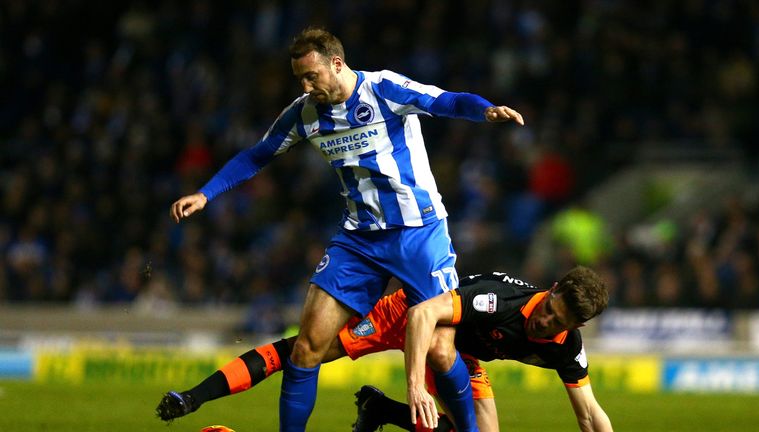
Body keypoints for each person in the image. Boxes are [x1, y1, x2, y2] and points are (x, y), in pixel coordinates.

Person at [169, 27, 523, 432]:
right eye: (299, 79)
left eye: (311, 76)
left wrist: (486, 110)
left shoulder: (384, 88)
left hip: (419, 233)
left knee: (441, 352)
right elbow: (258, 154)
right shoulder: (304, 112)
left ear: (336, 64)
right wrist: (206, 194)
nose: (305, 86)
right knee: (306, 348)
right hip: (359, 239)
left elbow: (446, 101)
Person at [156, 266, 612, 432]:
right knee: (306, 351)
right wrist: (417, 385)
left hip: (454, 352)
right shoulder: (500, 298)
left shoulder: (565, 346)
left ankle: (380, 411)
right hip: (409, 314)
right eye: (551, 309)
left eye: (560, 322)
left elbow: (590, 415)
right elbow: (424, 315)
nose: (546, 322)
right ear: (552, 289)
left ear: (577, 325)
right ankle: (193, 397)